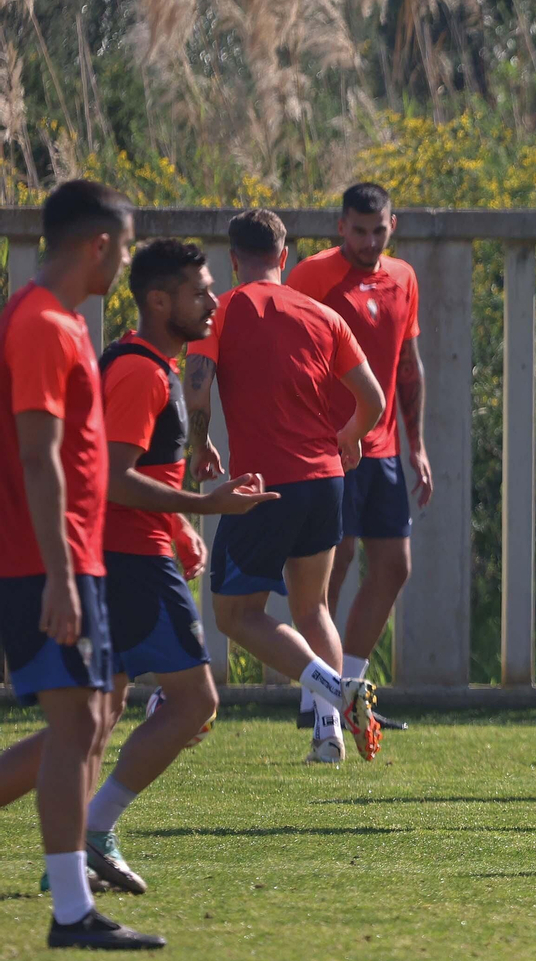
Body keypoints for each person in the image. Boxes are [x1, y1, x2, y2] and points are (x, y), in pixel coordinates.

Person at [0, 238, 277, 896]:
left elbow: (114, 473)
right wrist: (199, 505)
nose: (213, 301)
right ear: (160, 301)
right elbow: (115, 481)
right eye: (200, 291)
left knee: (91, 720)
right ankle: (95, 830)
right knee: (193, 701)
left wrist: (180, 521)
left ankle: (78, 843)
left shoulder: (155, 366)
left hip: (128, 552)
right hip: (126, 560)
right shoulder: (141, 372)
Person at [0, 179, 164, 948]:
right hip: (47, 561)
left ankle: (74, 906)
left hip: (70, 557)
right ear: (98, 244)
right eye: (125, 246)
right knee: (76, 725)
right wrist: (62, 575)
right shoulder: (41, 324)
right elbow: (38, 457)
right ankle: (71, 912)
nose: (125, 261)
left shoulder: (57, 321)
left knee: (91, 718)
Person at [185, 208, 387, 764]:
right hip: (325, 480)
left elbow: (196, 391)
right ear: (283, 256)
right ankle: (329, 735)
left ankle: (334, 690)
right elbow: (374, 400)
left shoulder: (220, 312)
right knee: (313, 605)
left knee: (233, 614)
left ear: (232, 260)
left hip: (263, 486)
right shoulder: (323, 315)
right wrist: (349, 437)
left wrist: (198, 446)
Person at [287, 183, 430, 734]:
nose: (370, 241)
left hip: (386, 447)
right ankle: (317, 699)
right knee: (333, 563)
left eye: (380, 230)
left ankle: (349, 693)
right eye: (359, 230)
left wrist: (415, 445)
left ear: (393, 225)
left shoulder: (404, 278)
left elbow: (408, 366)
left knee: (394, 566)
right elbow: (291, 360)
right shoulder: (311, 277)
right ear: (340, 227)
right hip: (332, 444)